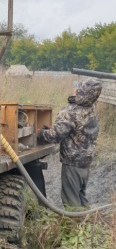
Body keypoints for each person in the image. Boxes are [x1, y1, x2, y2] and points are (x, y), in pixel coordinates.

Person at [37, 78, 102, 208]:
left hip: (73, 163)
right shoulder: (92, 109)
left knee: (71, 201)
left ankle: (74, 224)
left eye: (78, 88)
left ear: (80, 92)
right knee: (81, 197)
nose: (75, 89)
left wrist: (40, 133)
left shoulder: (71, 112)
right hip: (86, 161)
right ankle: (85, 222)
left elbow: (55, 136)